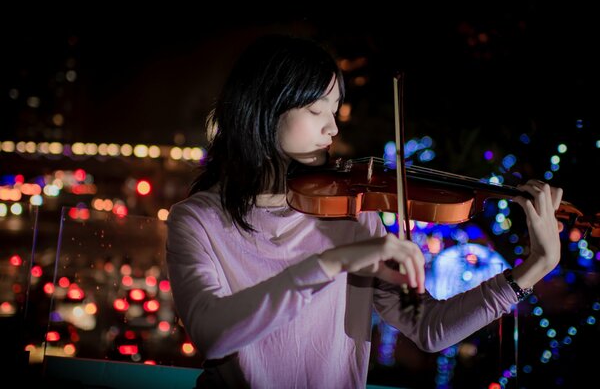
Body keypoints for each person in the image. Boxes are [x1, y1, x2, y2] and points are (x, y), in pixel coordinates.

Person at [165, 34, 563, 388]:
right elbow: (211, 333)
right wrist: (333, 262)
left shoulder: (352, 212)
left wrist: (533, 268)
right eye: (318, 110)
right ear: (267, 107)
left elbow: (427, 328)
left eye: (335, 111)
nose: (333, 128)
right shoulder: (197, 221)